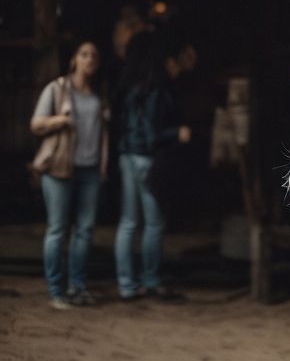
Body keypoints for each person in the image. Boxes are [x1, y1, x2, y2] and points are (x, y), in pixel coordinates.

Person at [30, 41, 109, 310]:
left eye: (94, 56)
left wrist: (103, 165)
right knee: (57, 229)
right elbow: (36, 124)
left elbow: (103, 133)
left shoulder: (98, 95)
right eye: (84, 54)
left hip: (89, 168)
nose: (89, 59)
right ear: (74, 59)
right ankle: (56, 291)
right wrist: (60, 120)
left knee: (85, 230)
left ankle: (78, 286)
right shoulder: (57, 88)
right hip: (59, 167)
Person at [115, 33, 191, 302]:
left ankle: (126, 285)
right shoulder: (156, 88)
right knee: (155, 223)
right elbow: (151, 134)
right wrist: (177, 132)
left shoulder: (130, 87)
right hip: (145, 158)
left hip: (126, 155)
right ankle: (151, 280)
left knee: (128, 222)